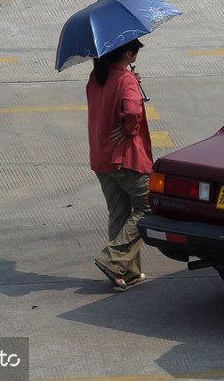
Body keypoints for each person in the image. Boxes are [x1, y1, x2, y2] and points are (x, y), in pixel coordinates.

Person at [88, 38, 152, 291]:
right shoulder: (125, 80)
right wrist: (129, 129)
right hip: (126, 157)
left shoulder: (97, 76)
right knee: (148, 207)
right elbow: (134, 112)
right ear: (128, 53)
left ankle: (127, 273)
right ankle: (113, 260)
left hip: (101, 156)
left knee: (119, 213)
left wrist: (132, 81)